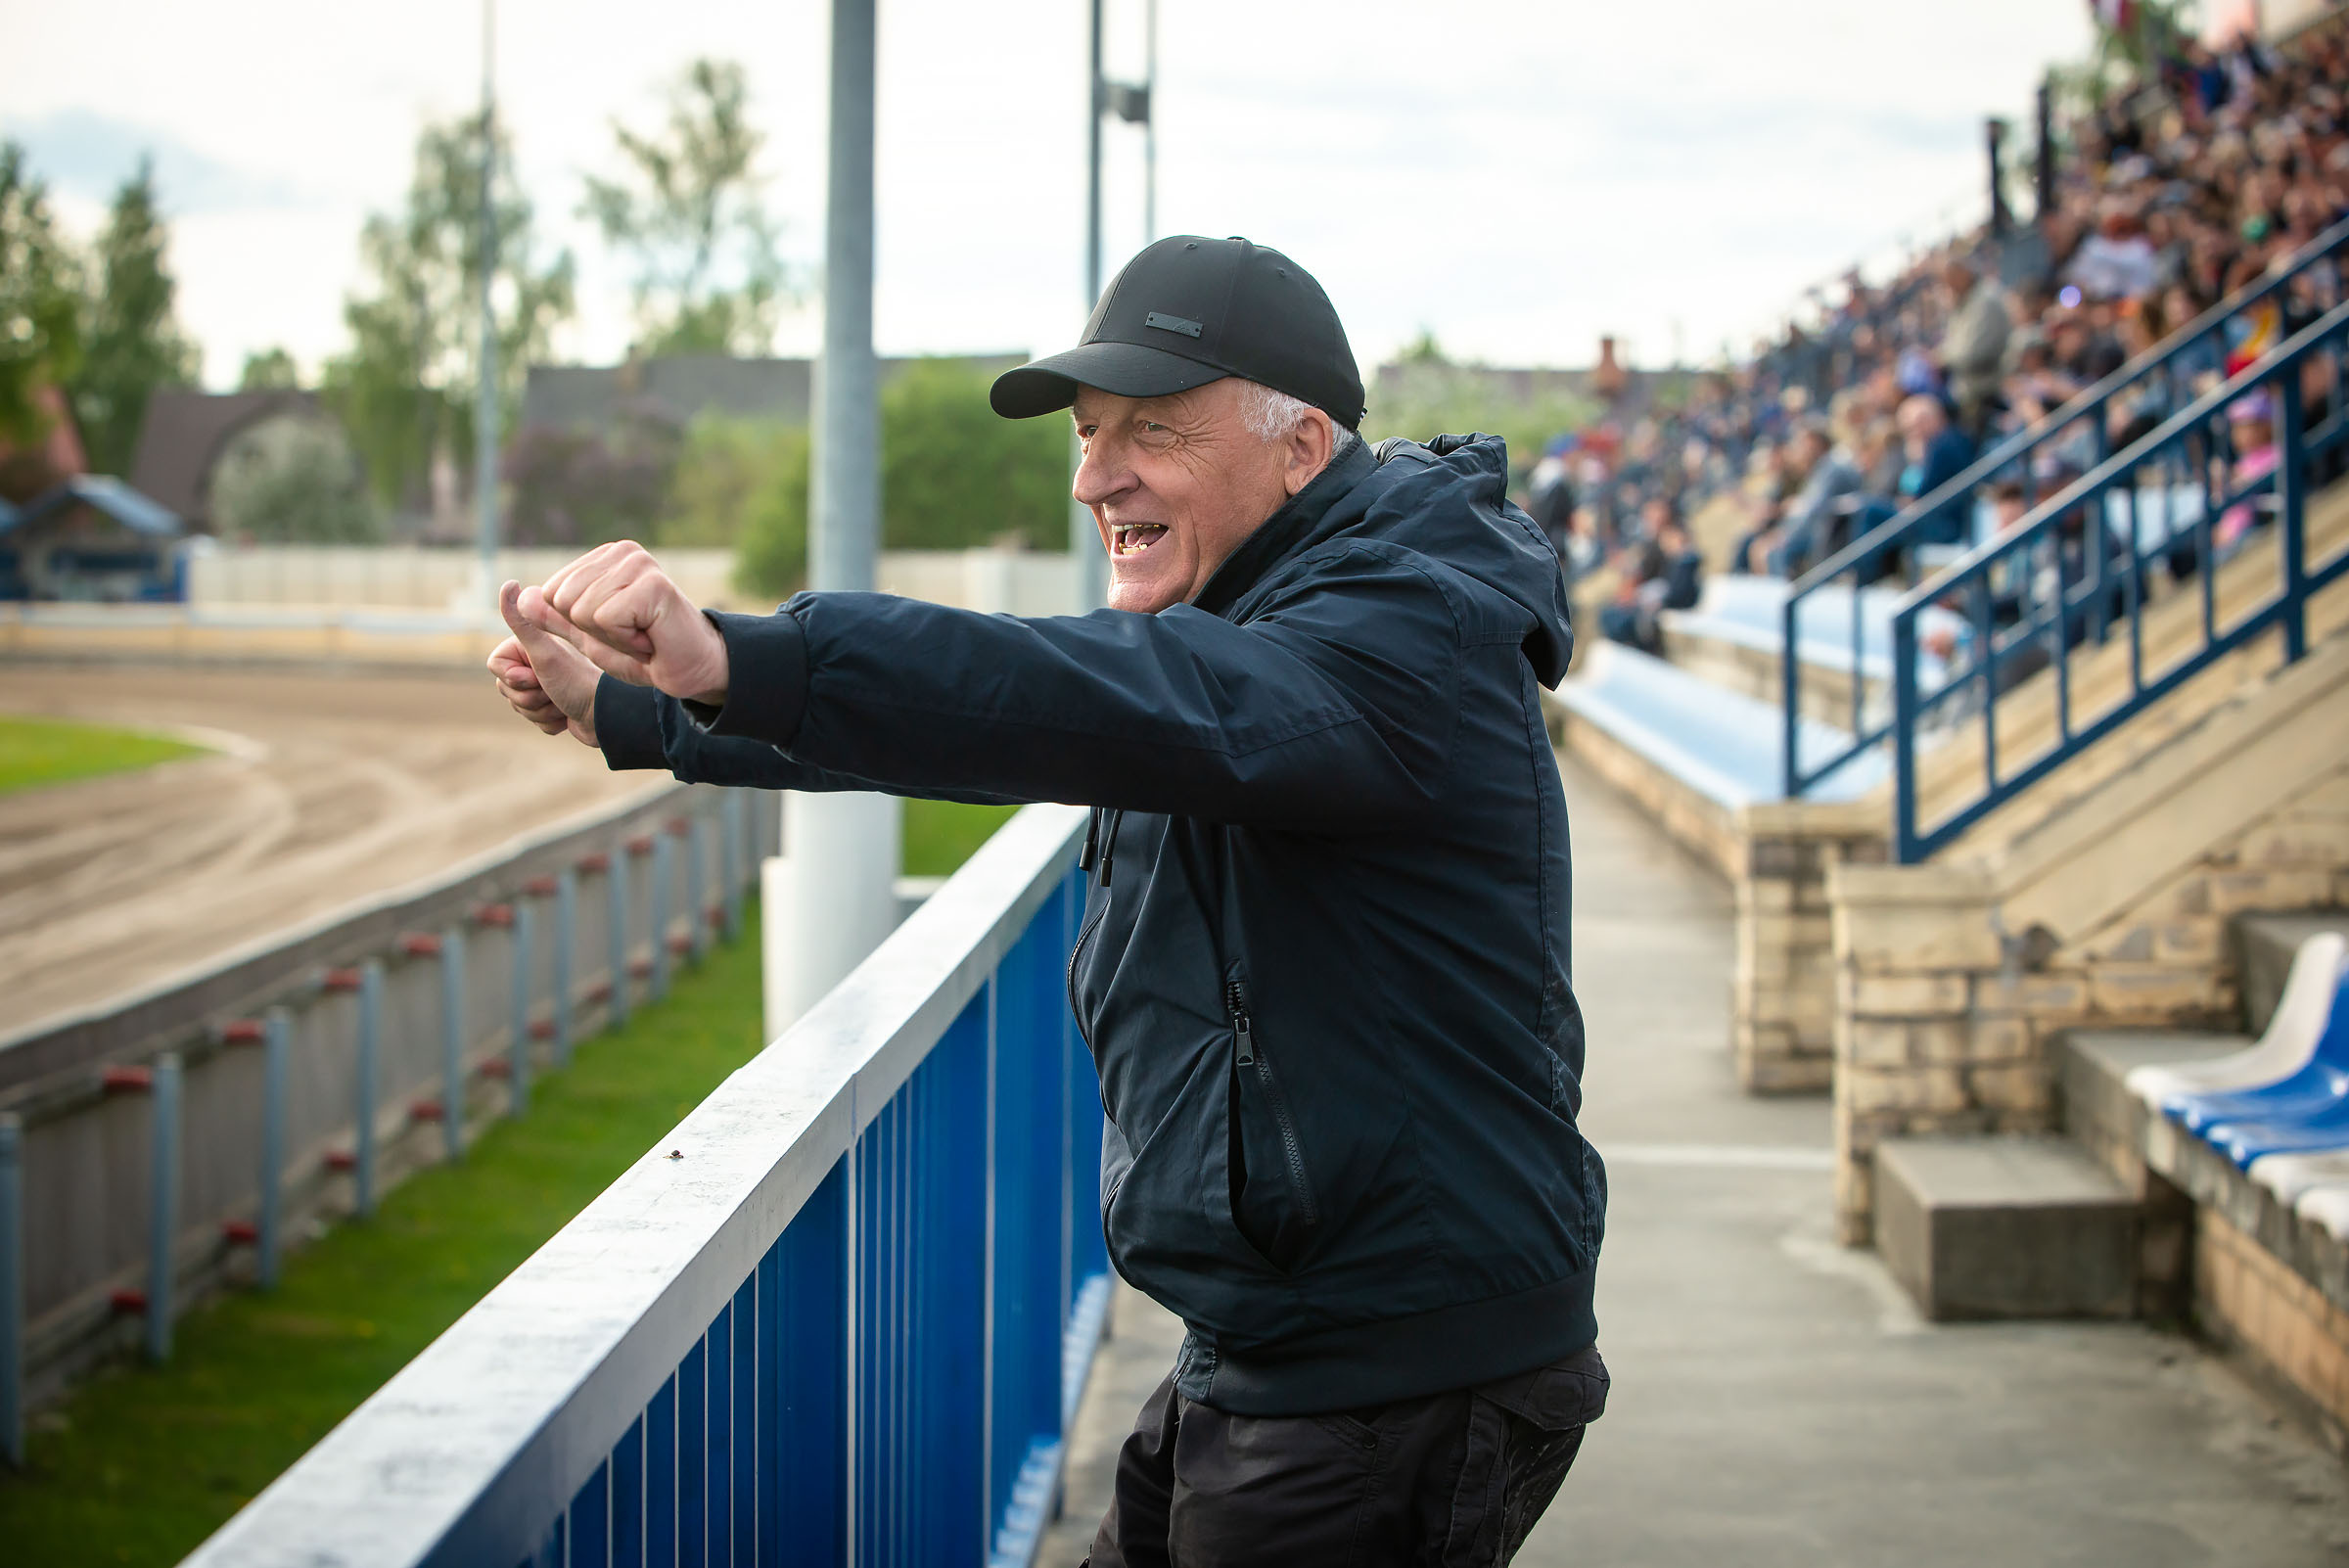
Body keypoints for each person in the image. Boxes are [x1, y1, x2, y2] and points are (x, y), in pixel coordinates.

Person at [487, 235, 1609, 1565]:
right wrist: (658, 708)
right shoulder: (1265, 607)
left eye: (1152, 431)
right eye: (1085, 436)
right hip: (1282, 1338)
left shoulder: (1391, 631)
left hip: (1389, 1369)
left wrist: (750, 651)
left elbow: (1086, 694)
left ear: (1302, 445)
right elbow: (1022, 722)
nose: (1096, 477)